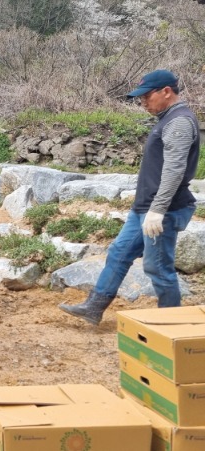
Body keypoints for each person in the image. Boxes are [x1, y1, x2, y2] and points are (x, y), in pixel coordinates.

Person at [59, 69, 199, 326]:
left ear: (166, 92)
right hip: (145, 208)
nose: (143, 102)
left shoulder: (179, 121)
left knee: (158, 268)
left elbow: (174, 169)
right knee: (119, 252)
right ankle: (94, 306)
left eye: (147, 96)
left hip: (162, 210)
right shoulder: (167, 119)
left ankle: (172, 324)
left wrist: (158, 210)